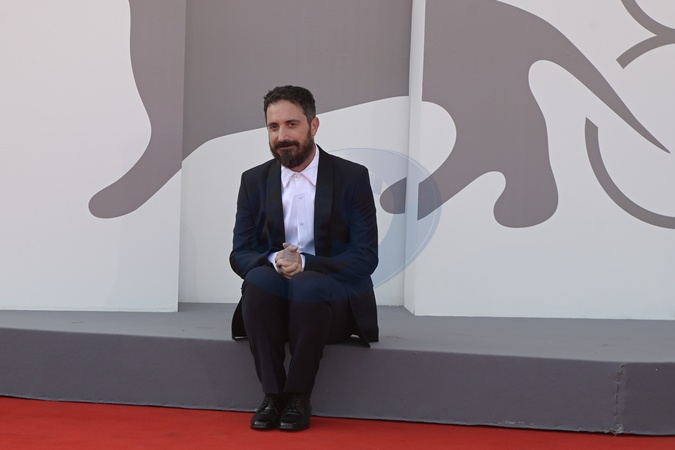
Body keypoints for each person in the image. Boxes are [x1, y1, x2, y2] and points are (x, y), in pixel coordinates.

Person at [229, 85, 379, 431]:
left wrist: (307, 264)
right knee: (258, 278)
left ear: (314, 125)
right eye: (273, 126)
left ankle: (298, 395)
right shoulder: (253, 181)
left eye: (292, 124)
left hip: (330, 306)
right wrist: (275, 260)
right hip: (274, 306)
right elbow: (241, 252)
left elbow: (365, 257)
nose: (282, 135)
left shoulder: (352, 177)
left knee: (309, 285)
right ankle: (272, 395)